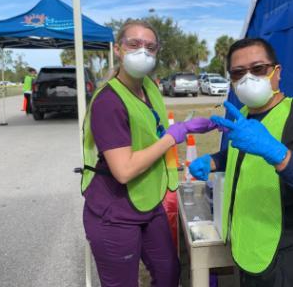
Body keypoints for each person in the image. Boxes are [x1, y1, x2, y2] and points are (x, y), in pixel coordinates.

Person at [189, 38, 293, 286]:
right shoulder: (241, 115)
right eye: (238, 73)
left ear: (277, 72)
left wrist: (278, 154)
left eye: (258, 69)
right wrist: (213, 161)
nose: (247, 78)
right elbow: (240, 157)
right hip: (248, 252)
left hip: (289, 263)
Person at [81, 20, 217, 287]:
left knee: (168, 271)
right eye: (133, 44)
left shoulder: (149, 87)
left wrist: (189, 126)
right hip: (114, 212)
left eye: (150, 47)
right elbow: (124, 171)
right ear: (118, 49)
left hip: (147, 201)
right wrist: (172, 136)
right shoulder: (108, 101)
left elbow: (151, 129)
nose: (142, 52)